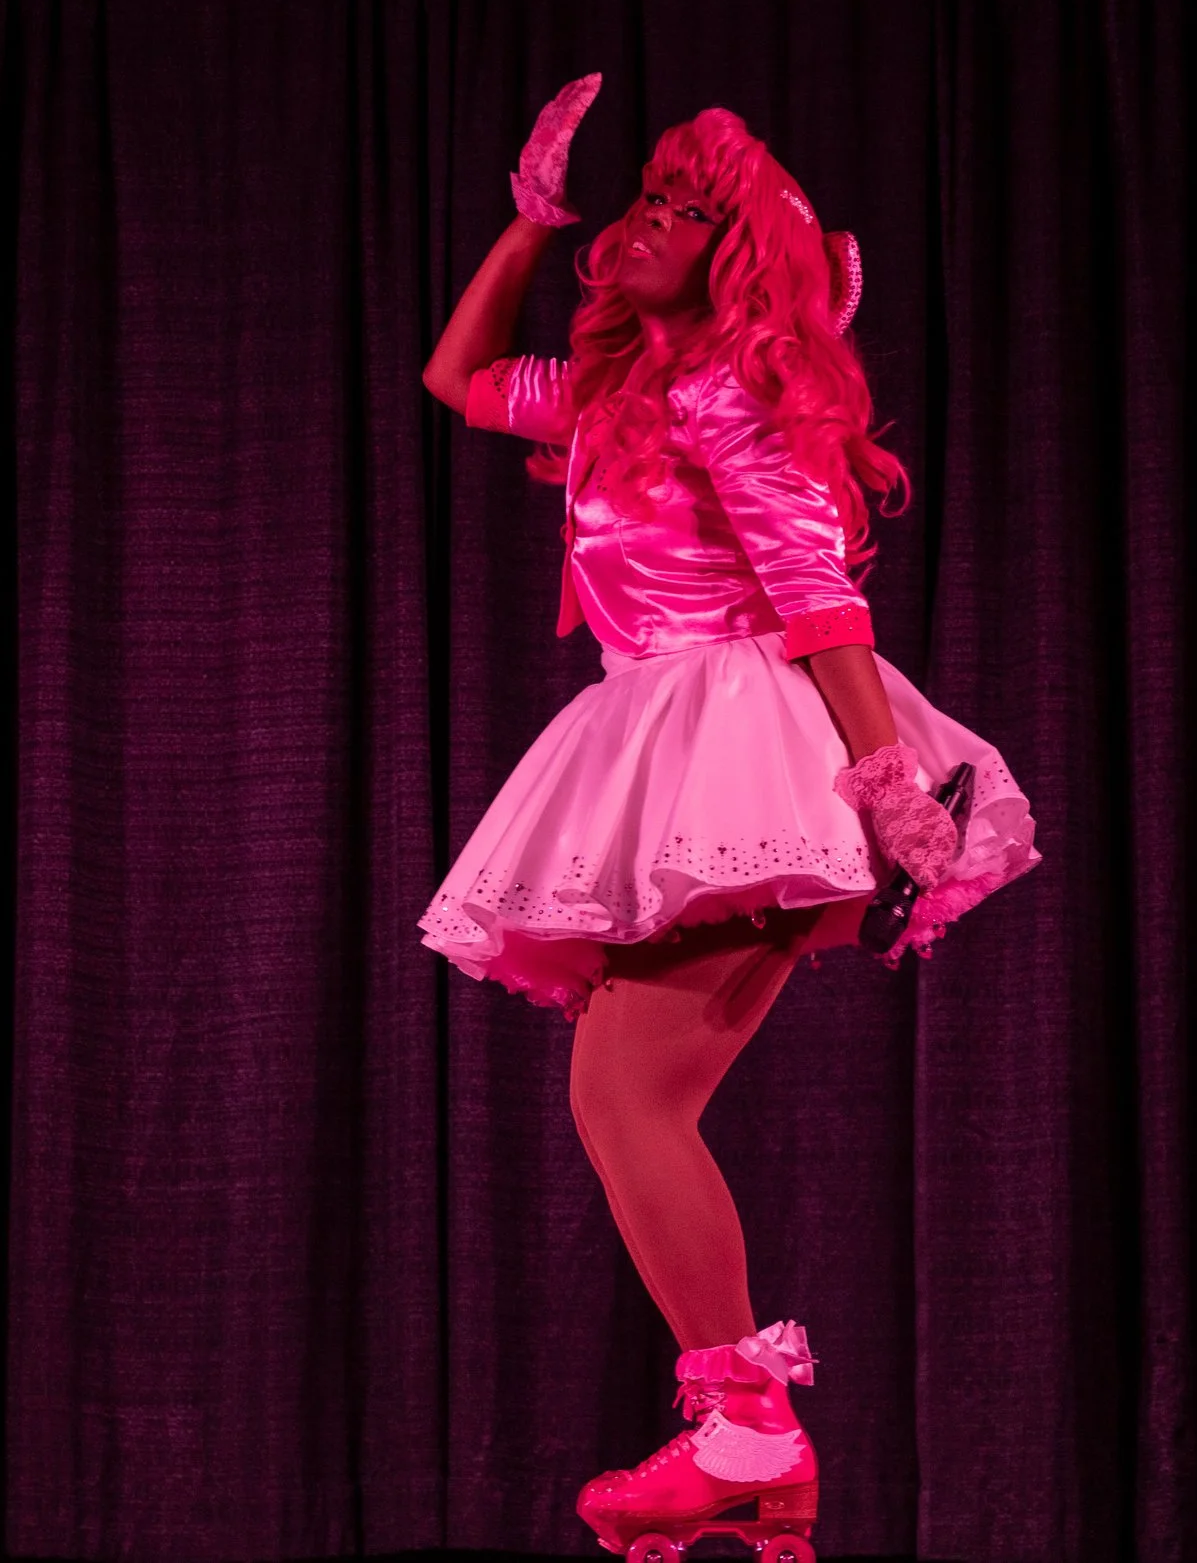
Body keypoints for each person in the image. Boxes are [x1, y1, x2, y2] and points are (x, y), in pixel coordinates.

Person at [418, 76, 1041, 1559]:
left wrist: (888, 783)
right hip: (674, 727)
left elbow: (822, 597)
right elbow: (456, 379)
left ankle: (746, 1423)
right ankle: (744, 1430)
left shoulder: (732, 391)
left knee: (624, 1100)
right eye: (635, 206)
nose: (634, 231)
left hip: (748, 739)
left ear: (731, 254)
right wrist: (531, 220)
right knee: (635, 1100)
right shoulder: (629, 392)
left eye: (670, 215)